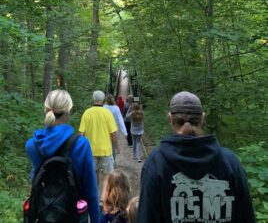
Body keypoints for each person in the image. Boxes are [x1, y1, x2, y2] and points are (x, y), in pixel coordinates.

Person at [137, 91, 256, 223]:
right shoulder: (230, 162)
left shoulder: (156, 163)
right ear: (202, 118)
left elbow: (147, 217)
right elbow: (247, 216)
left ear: (170, 118)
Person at [25, 89, 100, 223]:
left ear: (45, 109)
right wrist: (95, 219)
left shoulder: (32, 145)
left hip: (44, 214)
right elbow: (91, 191)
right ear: (69, 111)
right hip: (73, 215)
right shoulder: (81, 144)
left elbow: (35, 178)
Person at [79, 90, 118, 197]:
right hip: (106, 151)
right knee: (106, 177)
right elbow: (113, 134)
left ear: (93, 99)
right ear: (103, 100)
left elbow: (80, 134)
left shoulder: (87, 113)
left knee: (93, 177)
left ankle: (94, 199)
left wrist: (80, 150)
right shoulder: (107, 113)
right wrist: (116, 147)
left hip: (90, 152)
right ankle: (102, 200)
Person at [104, 94, 128, 164]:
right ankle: (113, 163)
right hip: (114, 130)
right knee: (113, 147)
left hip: (105, 130)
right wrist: (125, 132)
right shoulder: (116, 108)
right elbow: (120, 120)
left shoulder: (103, 107)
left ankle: (106, 162)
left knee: (106, 147)